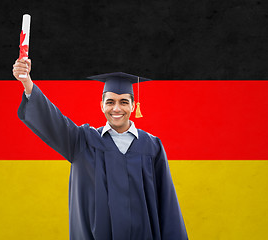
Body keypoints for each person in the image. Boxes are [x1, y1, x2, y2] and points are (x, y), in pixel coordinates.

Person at [12, 58, 188, 240]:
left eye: (124, 102)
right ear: (102, 105)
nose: (117, 108)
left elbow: (167, 203)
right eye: (110, 102)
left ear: (133, 106)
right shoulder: (82, 141)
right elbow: (53, 120)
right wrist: (28, 83)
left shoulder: (152, 147)